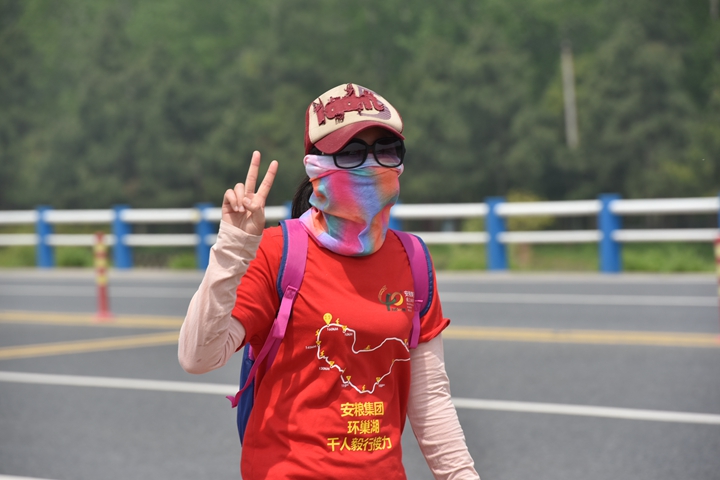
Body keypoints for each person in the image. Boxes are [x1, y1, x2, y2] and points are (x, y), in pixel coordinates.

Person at [179, 83, 480, 480]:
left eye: (387, 150)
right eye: (351, 153)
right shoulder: (276, 253)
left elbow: (430, 400)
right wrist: (233, 249)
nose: (372, 165)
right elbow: (198, 358)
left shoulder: (413, 259)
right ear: (316, 166)